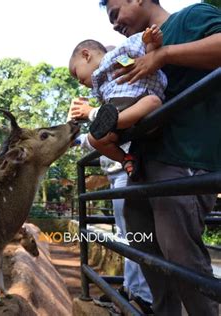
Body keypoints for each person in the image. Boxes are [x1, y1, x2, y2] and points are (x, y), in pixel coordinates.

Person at [71, 1, 221, 315]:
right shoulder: (131, 49)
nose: (113, 24)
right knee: (145, 251)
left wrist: (163, 55)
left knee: (180, 256)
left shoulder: (191, 17)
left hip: (183, 159)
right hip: (142, 167)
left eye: (115, 13)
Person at [68, 25, 167, 179]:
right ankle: (125, 159)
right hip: (121, 116)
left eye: (76, 72)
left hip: (140, 102)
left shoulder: (115, 58)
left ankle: (114, 121)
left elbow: (141, 55)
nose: (79, 81)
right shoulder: (99, 87)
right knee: (95, 139)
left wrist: (150, 41)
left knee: (152, 101)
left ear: (86, 55)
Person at [74, 133, 153, 313]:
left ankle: (145, 297)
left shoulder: (116, 105)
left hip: (126, 169)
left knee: (135, 236)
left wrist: (87, 130)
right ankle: (130, 289)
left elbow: (115, 126)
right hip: (117, 171)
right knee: (125, 236)